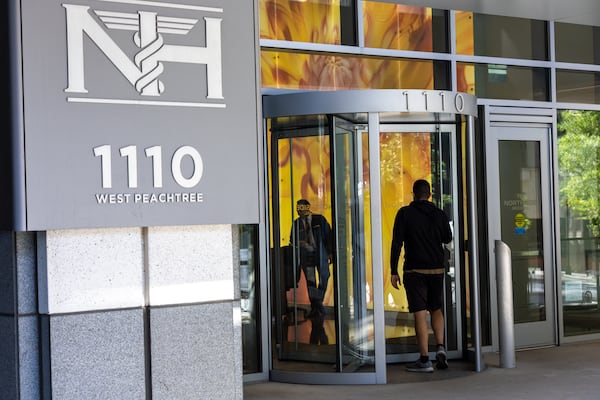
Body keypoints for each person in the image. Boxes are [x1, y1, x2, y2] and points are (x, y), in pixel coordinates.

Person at [390, 179, 452, 372]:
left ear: (413, 194)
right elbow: (447, 238)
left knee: (419, 312)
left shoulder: (405, 213)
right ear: (429, 195)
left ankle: (425, 359)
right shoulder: (439, 214)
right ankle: (440, 348)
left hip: (415, 270)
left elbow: (397, 242)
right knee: (436, 308)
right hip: (436, 269)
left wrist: (393, 270)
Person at [290, 199, 334, 318]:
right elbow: (292, 241)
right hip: (306, 255)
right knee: (311, 281)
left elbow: (329, 236)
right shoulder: (296, 223)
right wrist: (300, 243)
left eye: (301, 208)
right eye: (298, 208)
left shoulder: (319, 220)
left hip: (320, 253)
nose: (299, 211)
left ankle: (317, 303)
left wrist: (330, 253)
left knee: (324, 276)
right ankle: (316, 307)